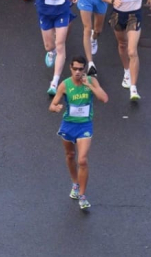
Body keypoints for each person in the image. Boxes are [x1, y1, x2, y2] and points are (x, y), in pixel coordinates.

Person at [48, 55, 108, 212]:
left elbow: (104, 99)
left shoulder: (91, 81)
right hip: (68, 125)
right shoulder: (65, 85)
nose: (78, 72)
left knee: (82, 160)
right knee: (70, 155)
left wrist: (90, 85)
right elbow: (52, 105)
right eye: (75, 69)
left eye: (81, 69)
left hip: (84, 126)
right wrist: (56, 108)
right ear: (70, 68)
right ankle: (75, 183)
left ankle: (82, 195)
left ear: (85, 69)